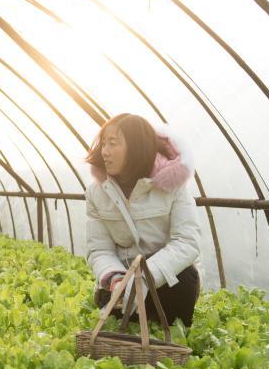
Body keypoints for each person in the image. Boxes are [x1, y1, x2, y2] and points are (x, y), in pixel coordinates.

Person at [85, 113, 202, 327]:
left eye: (113, 143)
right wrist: (116, 279)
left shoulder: (172, 187)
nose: (104, 152)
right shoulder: (97, 192)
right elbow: (99, 250)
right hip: (121, 285)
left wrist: (144, 278)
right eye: (103, 144)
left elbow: (187, 242)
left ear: (136, 146)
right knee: (118, 319)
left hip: (164, 283)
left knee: (185, 278)